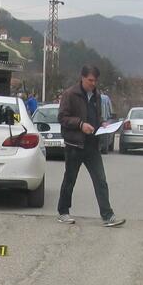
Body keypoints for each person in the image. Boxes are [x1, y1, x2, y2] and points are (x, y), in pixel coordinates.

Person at [56, 66, 125, 227]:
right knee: (70, 179)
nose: (93, 84)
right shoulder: (70, 94)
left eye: (95, 81)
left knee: (101, 180)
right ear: (82, 78)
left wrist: (102, 123)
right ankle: (63, 212)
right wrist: (80, 124)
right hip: (74, 144)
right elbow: (62, 118)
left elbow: (97, 115)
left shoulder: (97, 95)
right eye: (90, 80)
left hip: (92, 145)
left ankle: (108, 215)